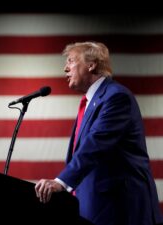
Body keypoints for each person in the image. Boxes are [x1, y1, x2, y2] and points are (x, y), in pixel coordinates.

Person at [34, 41, 163, 225]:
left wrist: (61, 182)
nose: (65, 68)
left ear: (91, 64)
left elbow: (95, 143)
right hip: (94, 208)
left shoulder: (116, 97)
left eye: (71, 61)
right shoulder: (90, 102)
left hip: (121, 209)